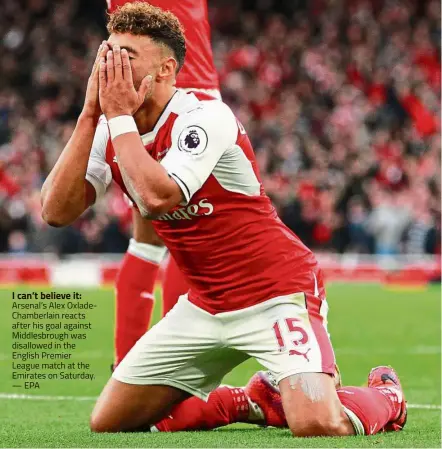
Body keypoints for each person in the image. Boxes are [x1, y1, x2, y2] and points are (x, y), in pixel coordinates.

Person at [41, 2, 407, 437]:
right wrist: (89, 117)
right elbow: (55, 211)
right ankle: (251, 400)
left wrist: (116, 117)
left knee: (316, 424)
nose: (110, 67)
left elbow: (158, 197)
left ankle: (388, 397)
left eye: (127, 56)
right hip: (205, 304)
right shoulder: (110, 127)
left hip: (275, 292)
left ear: (165, 69)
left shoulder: (203, 117)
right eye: (108, 54)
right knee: (111, 422)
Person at [107, 0, 220, 368]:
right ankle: (173, 370)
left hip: (138, 86)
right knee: (190, 237)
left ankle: (128, 366)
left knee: (147, 241)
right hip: (181, 88)